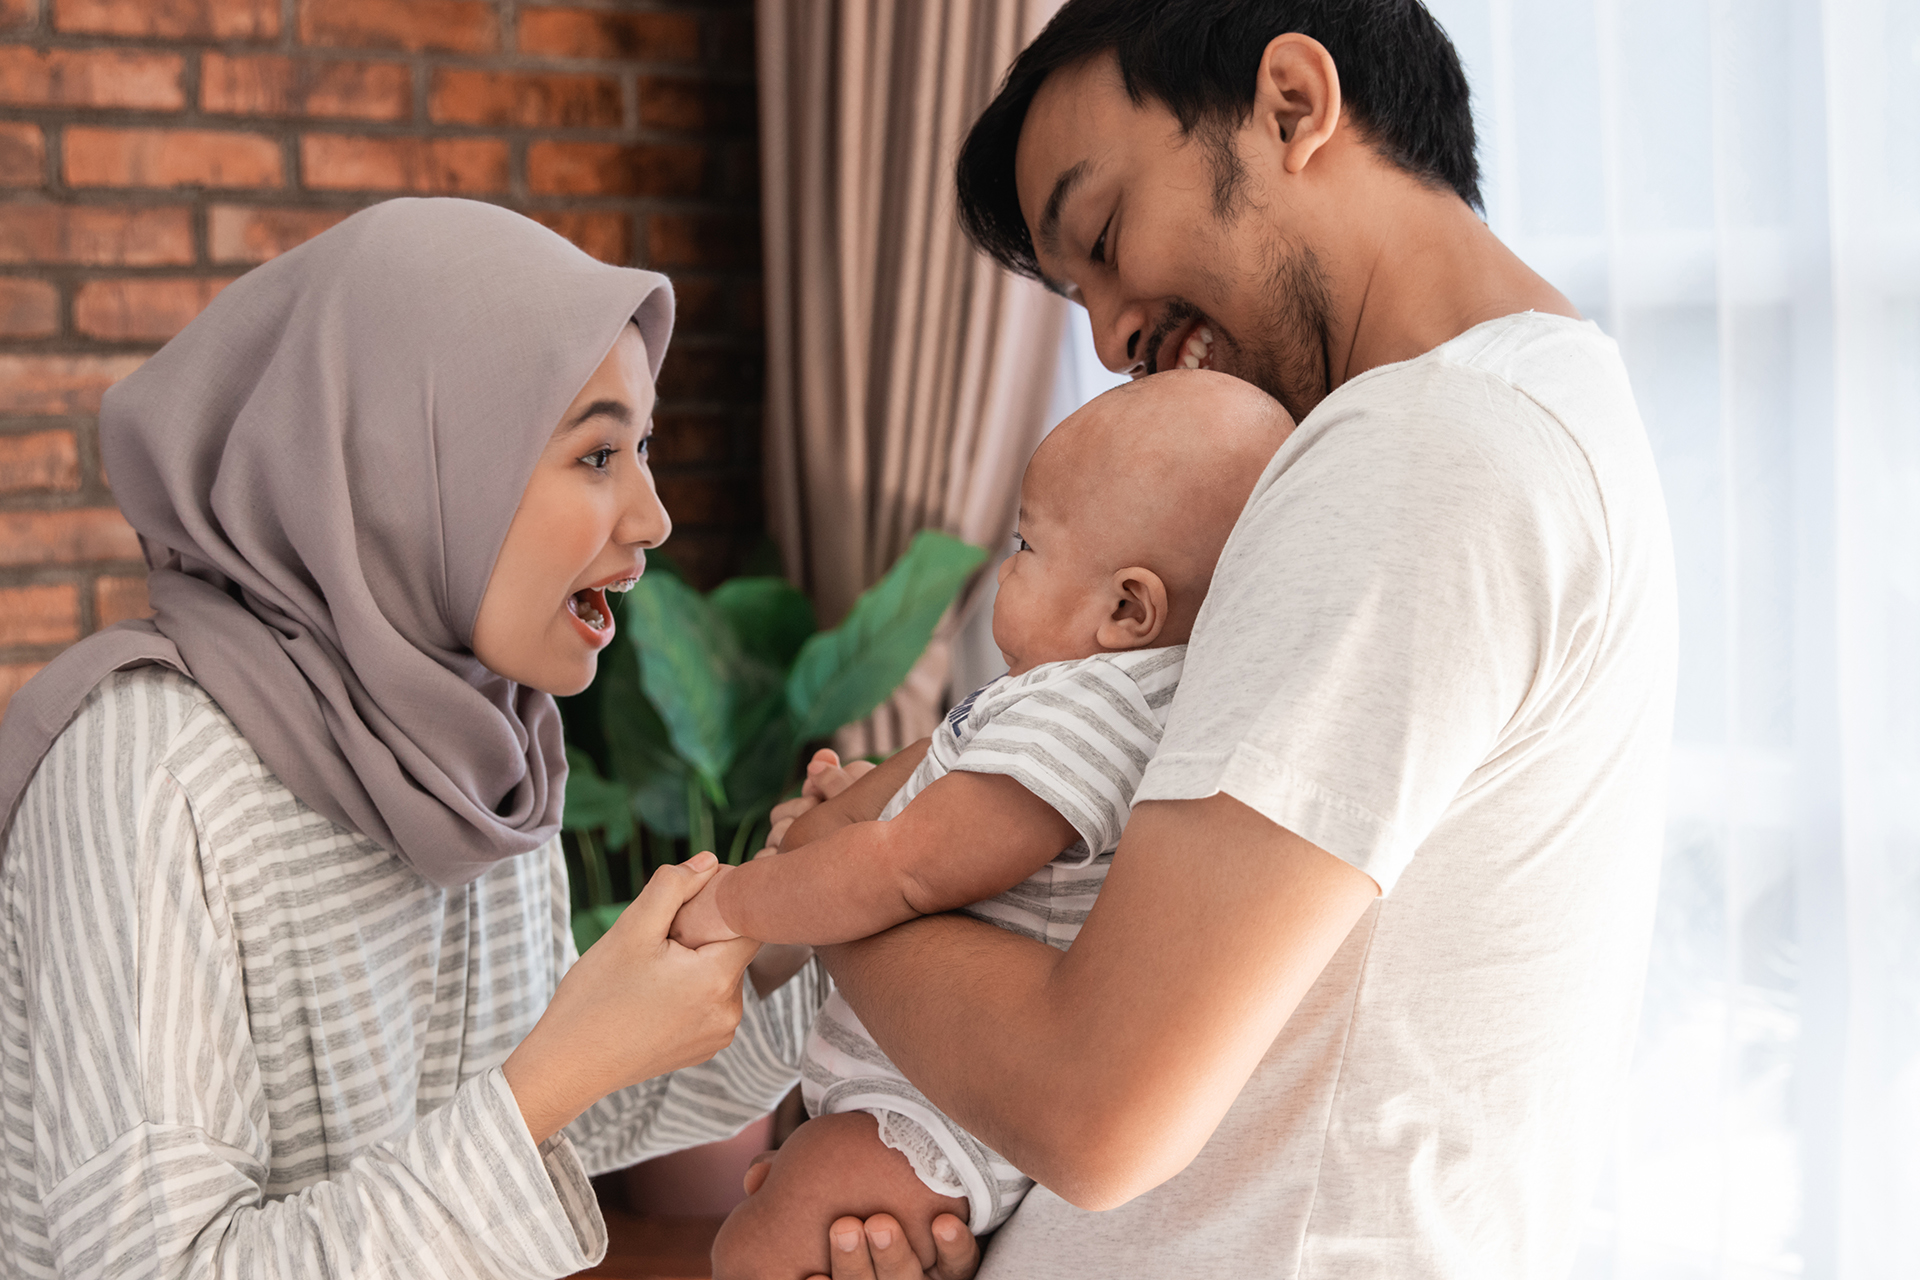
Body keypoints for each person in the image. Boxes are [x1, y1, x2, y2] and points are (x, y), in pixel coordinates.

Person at [751, 1, 1680, 1277]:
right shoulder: (1537, 411)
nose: (1109, 335)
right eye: (1073, 293)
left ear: (1293, 104)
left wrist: (836, 873)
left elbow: (1097, 1107)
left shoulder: (1417, 451)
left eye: (1106, 235)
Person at [0, 198, 967, 1280]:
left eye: (641, 448)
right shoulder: (151, 773)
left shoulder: (478, 748)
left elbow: (563, 1122)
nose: (652, 516)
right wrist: (552, 1076)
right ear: (410, 461)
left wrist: (800, 918)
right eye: (598, 451)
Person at [670, 372, 1292, 1279]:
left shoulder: (1086, 709)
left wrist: (741, 901)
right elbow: (912, 804)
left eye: (1027, 544)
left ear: (1127, 608)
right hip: (919, 1082)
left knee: (750, 1252)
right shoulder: (1081, 700)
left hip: (930, 1110)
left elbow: (905, 869)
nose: (1006, 568)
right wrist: (840, 812)